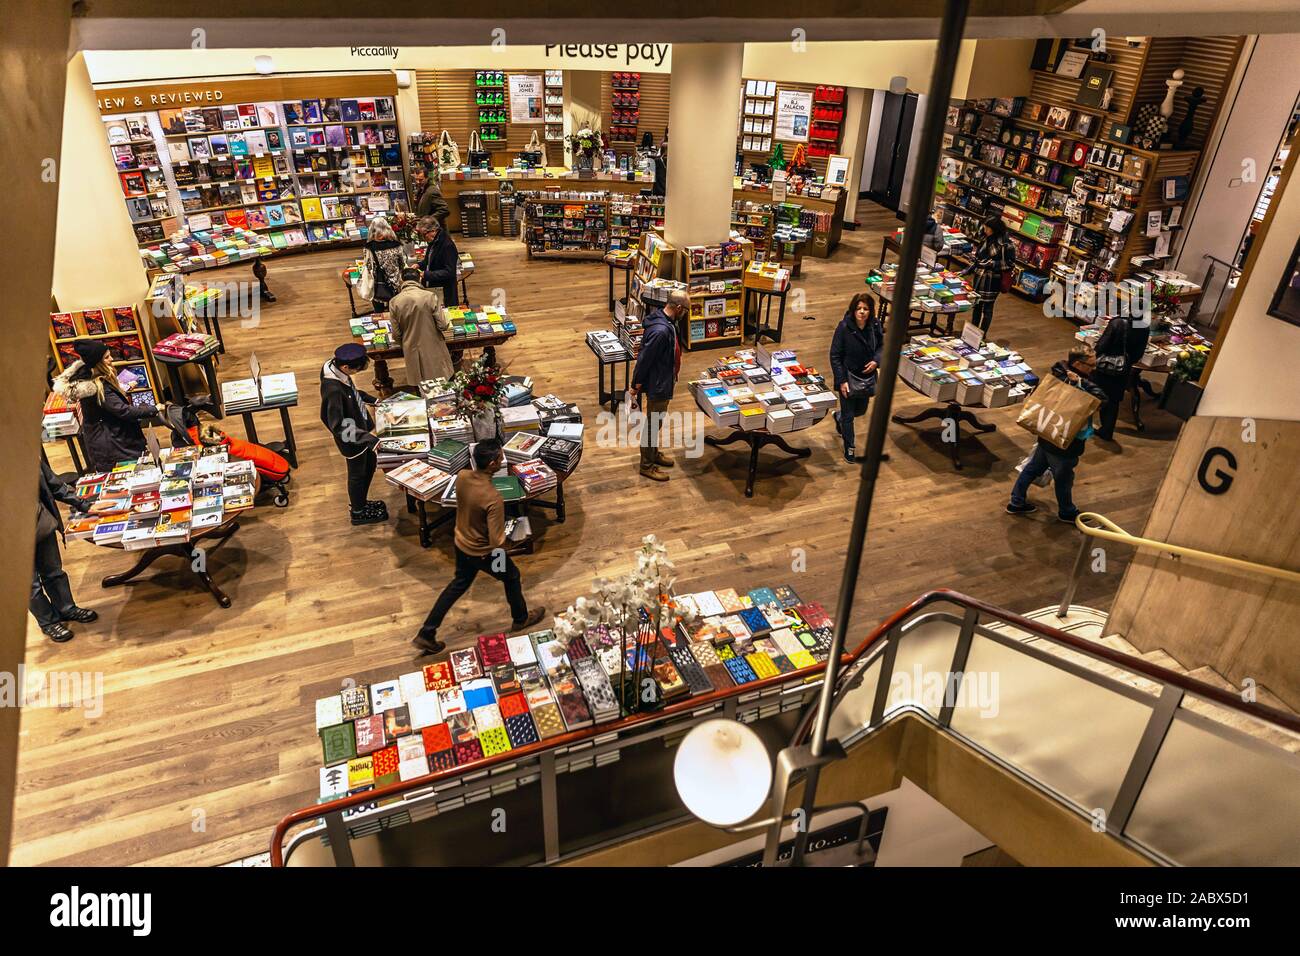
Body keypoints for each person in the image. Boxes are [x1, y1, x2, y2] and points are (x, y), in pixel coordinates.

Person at [414, 440, 546, 654]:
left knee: (457, 585)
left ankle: (427, 632)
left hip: (461, 543)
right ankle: (520, 618)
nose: (503, 459)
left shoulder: (463, 477)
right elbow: (497, 543)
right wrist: (517, 539)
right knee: (512, 575)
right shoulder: (493, 499)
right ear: (493, 463)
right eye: (501, 457)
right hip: (485, 553)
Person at [1007, 348, 1108, 524]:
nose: (1094, 368)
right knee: (1063, 478)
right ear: (1078, 364)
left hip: (1046, 433)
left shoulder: (1058, 372)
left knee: (1033, 468)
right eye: (1091, 365)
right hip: (1064, 440)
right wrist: (1081, 383)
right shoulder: (1081, 383)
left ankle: (1016, 501)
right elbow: (1102, 400)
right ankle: (1067, 512)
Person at [53, 339, 157, 472]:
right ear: (97, 363)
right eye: (107, 357)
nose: (112, 359)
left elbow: (110, 404)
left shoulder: (93, 379)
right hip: (112, 445)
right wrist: (154, 409)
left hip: (109, 439)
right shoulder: (98, 387)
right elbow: (124, 411)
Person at [319, 343, 388, 526]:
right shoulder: (333, 389)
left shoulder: (335, 368)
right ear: (345, 367)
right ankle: (358, 511)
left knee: (370, 463)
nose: (355, 374)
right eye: (355, 370)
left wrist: (373, 400)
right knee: (357, 473)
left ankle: (362, 503)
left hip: (359, 428)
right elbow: (337, 425)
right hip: (351, 438)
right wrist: (368, 439)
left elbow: (352, 392)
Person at [32, 459, 97, 643]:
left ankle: (66, 608)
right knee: (29, 586)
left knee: (54, 572)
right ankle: (49, 623)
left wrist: (84, 504)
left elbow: (53, 483)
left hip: (39, 520)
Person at [630, 288, 686, 481]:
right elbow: (644, 360)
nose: (685, 314)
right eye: (685, 310)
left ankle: (653, 454)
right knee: (653, 424)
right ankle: (646, 465)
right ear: (678, 308)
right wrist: (635, 383)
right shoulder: (661, 331)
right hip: (658, 384)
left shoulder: (664, 321)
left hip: (663, 379)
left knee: (657, 421)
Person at [829, 292, 884, 464]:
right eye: (858, 308)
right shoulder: (844, 327)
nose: (862, 312)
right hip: (847, 377)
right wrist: (841, 381)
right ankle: (849, 448)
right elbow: (835, 356)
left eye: (866, 309)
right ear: (853, 310)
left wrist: (876, 361)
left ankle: (837, 417)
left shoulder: (875, 325)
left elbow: (882, 346)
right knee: (849, 416)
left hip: (866, 378)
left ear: (871, 311)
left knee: (861, 411)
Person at [1090, 312, 1152, 441]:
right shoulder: (1145, 328)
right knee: (1113, 401)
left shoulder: (1117, 323)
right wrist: (1127, 362)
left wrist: (1093, 356)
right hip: (1123, 369)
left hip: (1104, 367)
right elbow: (1138, 354)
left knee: (1095, 393)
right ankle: (1107, 431)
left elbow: (1102, 345)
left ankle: (1085, 425)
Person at [389, 266, 454, 387]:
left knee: (419, 381)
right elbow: (443, 325)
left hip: (411, 347)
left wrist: (404, 342)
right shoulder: (430, 296)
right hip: (433, 344)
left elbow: (396, 333)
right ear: (419, 279)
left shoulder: (394, 301)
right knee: (440, 381)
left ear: (402, 281)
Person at [962, 216, 1016, 334]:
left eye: (987, 227)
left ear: (994, 229)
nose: (984, 229)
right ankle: (973, 331)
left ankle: (982, 333)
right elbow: (977, 259)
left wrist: (992, 264)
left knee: (987, 308)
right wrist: (965, 271)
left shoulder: (1006, 244)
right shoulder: (985, 239)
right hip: (979, 278)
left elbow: (1010, 263)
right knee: (977, 305)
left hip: (992, 280)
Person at [362, 216, 404, 313]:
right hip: (395, 284)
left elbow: (369, 267)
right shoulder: (397, 245)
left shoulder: (369, 248)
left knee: (379, 311)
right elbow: (401, 264)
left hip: (378, 284)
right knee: (395, 311)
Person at [419, 215, 461, 308]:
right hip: (435, 287)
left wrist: (427, 275)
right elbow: (429, 260)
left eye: (424, 234)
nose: (423, 237)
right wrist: (418, 265)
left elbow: (449, 272)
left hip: (445, 291)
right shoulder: (433, 242)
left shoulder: (447, 245)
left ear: (433, 230)